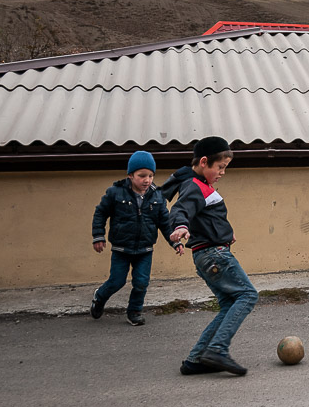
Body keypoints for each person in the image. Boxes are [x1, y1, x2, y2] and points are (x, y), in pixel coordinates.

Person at [163, 137, 258, 376]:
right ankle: (217, 349)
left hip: (208, 254)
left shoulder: (199, 184)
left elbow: (207, 217)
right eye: (220, 167)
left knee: (228, 304)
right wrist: (180, 226)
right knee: (247, 295)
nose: (223, 172)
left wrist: (226, 233)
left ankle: (196, 360)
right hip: (214, 255)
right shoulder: (194, 185)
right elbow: (181, 209)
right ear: (204, 162)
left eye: (225, 167)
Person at [90, 150, 184, 326]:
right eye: (141, 176)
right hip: (121, 248)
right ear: (131, 175)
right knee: (116, 281)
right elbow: (100, 213)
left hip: (145, 249)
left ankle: (134, 312)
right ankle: (99, 297)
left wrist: (175, 242)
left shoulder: (157, 196)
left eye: (150, 175)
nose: (147, 180)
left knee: (141, 282)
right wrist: (98, 236)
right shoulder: (115, 193)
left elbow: (165, 223)